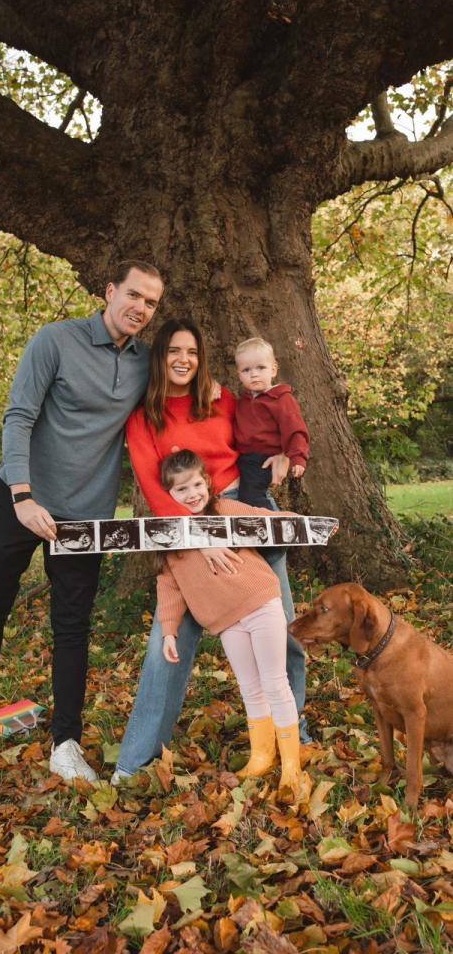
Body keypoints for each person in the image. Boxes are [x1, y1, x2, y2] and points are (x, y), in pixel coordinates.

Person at [0, 260, 165, 781]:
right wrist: (22, 496)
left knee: (72, 627)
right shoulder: (55, 340)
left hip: (84, 515)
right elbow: (18, 415)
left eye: (151, 302)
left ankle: (65, 742)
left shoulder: (145, 362)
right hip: (19, 499)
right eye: (134, 295)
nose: (140, 308)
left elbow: (185, 396)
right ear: (109, 291)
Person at [112, 317, 310, 784]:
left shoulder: (222, 398)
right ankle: (135, 761)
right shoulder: (143, 416)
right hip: (184, 528)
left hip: (239, 510)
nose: (184, 360)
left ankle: (293, 735)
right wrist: (200, 539)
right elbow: (152, 487)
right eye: (173, 351)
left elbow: (268, 425)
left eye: (193, 352)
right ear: (159, 357)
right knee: (169, 646)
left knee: (281, 629)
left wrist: (285, 454)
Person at [158, 450, 308, 792]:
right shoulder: (169, 535)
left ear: (208, 484)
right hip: (225, 621)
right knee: (250, 687)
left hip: (259, 603)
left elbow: (262, 517)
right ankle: (261, 756)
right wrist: (168, 631)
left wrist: (300, 521)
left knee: (274, 682)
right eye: (181, 489)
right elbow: (168, 586)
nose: (192, 493)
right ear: (167, 495)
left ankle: (291, 764)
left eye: (197, 484)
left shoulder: (224, 509)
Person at [234, 337, 310, 509]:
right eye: (246, 370)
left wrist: (297, 457)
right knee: (239, 494)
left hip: (263, 458)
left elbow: (295, 429)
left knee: (251, 496)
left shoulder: (281, 399)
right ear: (239, 374)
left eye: (261, 368)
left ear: (273, 370)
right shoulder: (243, 401)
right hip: (243, 458)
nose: (254, 374)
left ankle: (273, 521)